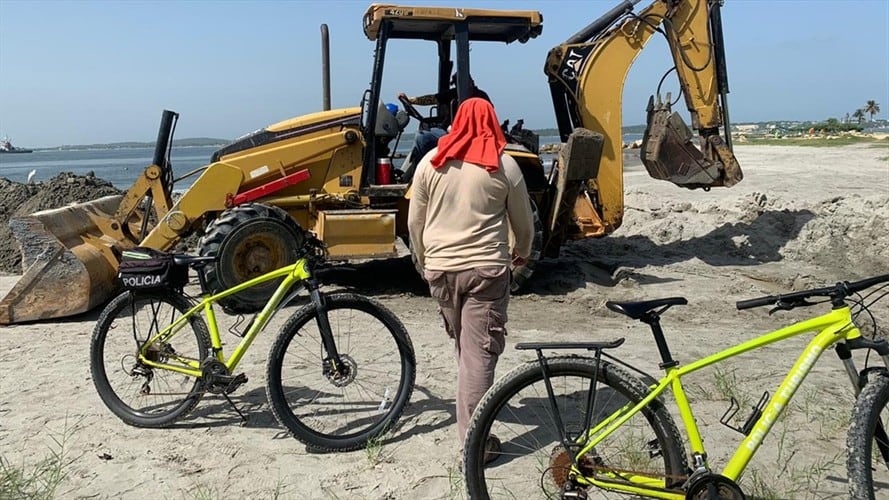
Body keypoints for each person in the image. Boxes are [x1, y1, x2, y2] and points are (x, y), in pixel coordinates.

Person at [407, 97, 534, 461]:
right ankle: (474, 446)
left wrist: (424, 260)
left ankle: (471, 425)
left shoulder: (430, 163)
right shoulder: (503, 164)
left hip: (440, 271)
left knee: (466, 350)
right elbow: (524, 224)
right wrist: (522, 251)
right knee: (479, 356)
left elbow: (415, 222)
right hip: (485, 272)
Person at [398, 76, 491, 183]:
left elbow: (487, 117)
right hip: (447, 130)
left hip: (466, 134)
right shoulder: (454, 93)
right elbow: (433, 99)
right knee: (421, 137)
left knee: (422, 139)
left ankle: (419, 178)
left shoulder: (481, 97)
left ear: (471, 82)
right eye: (457, 83)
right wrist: (411, 100)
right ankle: (416, 174)